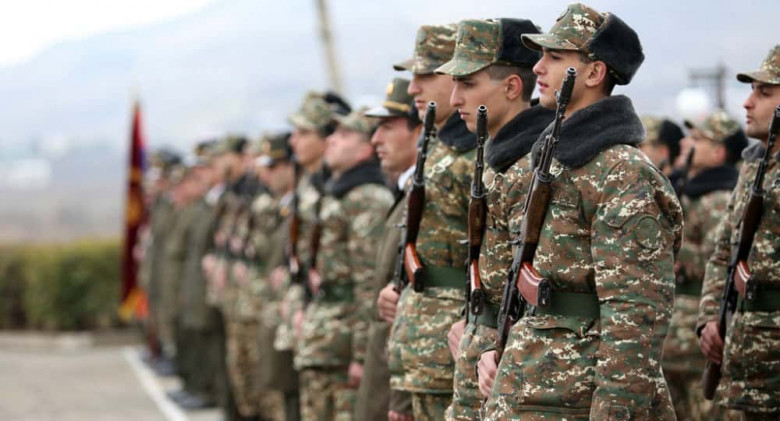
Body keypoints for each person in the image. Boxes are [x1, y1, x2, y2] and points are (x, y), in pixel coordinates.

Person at [478, 4, 683, 419]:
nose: (539, 68)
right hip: (529, 382)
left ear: (594, 73)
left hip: (579, 394)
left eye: (555, 57)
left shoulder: (622, 172)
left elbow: (635, 311)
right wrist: (492, 347)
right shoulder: (547, 163)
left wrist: (616, 410)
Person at [433, 17, 553, 420]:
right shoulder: (497, 161)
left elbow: (540, 285)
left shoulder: (531, 169)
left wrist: (498, 343)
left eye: (468, 84)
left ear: (512, 87)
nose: (455, 99)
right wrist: (469, 321)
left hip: (511, 368)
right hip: (483, 358)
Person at [379, 22, 477, 421]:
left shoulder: (475, 156)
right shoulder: (437, 149)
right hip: (420, 348)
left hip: (451, 349)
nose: (414, 88)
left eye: (425, 75)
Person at [697, 44, 780, 420]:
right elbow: (723, 253)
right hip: (743, 358)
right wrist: (709, 318)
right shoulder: (753, 167)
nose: (748, 103)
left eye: (765, 92)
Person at [294, 108, 393, 420]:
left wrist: (361, 356)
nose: (332, 140)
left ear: (366, 149)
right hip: (326, 338)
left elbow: (369, 283)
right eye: (334, 133)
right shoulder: (340, 192)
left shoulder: (367, 198)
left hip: (344, 345)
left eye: (345, 134)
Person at [660, 110, 747, 421]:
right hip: (675, 338)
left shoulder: (718, 199)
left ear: (719, 152)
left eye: (697, 138)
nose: (686, 143)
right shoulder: (689, 189)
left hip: (696, 340)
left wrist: (668, 252)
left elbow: (720, 260)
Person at [353, 77, 421, 421]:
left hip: (407, 372)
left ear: (419, 131)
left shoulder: (422, 194)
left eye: (388, 127)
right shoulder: (404, 193)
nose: (376, 139)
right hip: (389, 366)